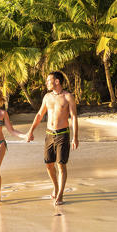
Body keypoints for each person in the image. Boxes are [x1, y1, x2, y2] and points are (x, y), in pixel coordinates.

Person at [26, 71, 79, 205]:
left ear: (57, 81)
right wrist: (30, 131)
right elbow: (39, 115)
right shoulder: (47, 97)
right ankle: (55, 187)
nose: (46, 83)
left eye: (49, 80)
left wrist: (75, 137)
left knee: (61, 165)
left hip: (63, 134)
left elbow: (73, 117)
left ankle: (60, 194)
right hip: (49, 134)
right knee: (49, 165)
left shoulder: (68, 97)